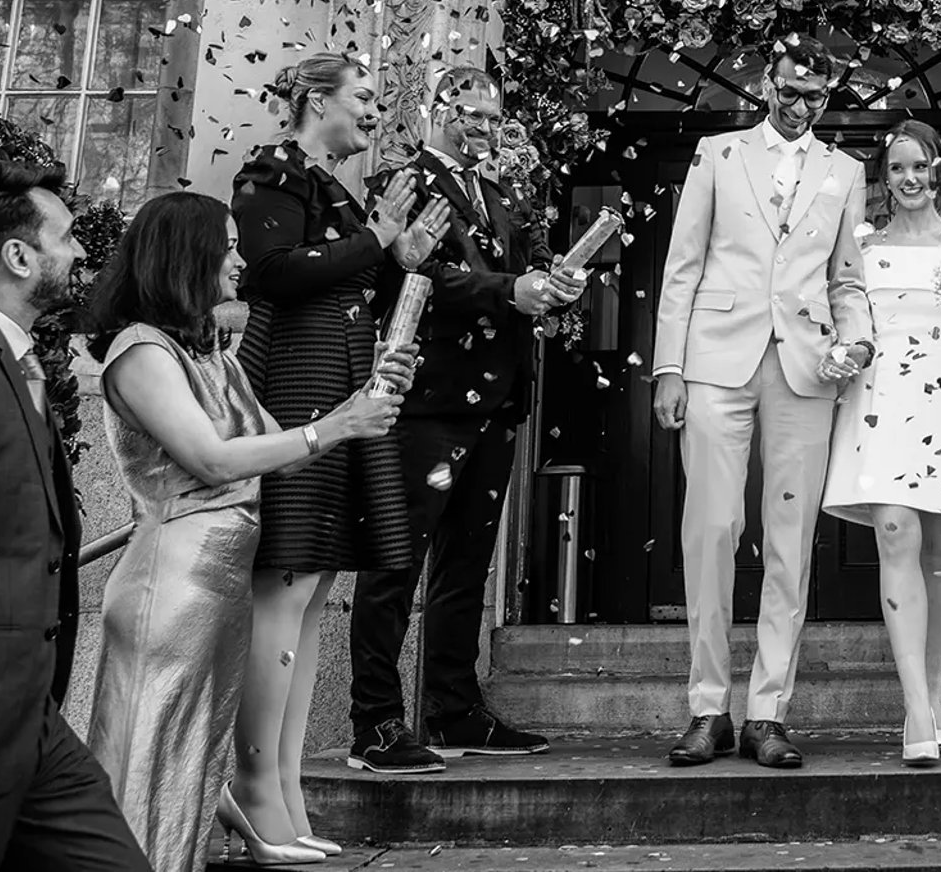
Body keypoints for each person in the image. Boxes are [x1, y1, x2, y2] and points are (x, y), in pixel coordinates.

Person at [81, 193, 413, 870]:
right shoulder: (139, 351)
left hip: (221, 579)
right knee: (146, 757)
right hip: (169, 582)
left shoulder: (211, 354)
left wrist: (363, 400)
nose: (239, 260)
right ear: (187, 256)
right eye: (227, 246)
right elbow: (210, 459)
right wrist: (334, 426)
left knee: (192, 760)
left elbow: (279, 447)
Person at [229, 52, 450, 856]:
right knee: (284, 588)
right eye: (363, 97)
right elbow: (275, 274)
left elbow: (346, 280)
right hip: (297, 384)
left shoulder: (336, 190)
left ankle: (286, 783)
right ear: (316, 100)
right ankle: (253, 784)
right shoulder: (271, 172)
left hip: (341, 381)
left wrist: (398, 258)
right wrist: (377, 238)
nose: (375, 112)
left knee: (314, 590)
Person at [0, 161, 150, 872]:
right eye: (66, 237)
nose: (81, 251)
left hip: (33, 725)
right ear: (18, 255)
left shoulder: (12, 360)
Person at [348, 66, 583, 773]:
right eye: (470, 114)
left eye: (493, 116)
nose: (483, 127)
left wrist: (555, 282)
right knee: (395, 563)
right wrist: (511, 289)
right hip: (429, 398)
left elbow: (525, 267)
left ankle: (453, 711)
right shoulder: (402, 182)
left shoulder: (502, 194)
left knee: (466, 565)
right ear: (436, 109)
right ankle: (375, 723)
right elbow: (412, 276)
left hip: (499, 399)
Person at [653, 35, 871, 769]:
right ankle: (707, 706)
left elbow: (847, 277)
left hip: (805, 366)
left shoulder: (846, 171)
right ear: (768, 84)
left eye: (816, 95)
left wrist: (858, 340)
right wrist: (669, 367)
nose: (801, 104)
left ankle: (767, 712)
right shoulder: (717, 154)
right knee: (711, 527)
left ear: (829, 96)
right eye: (791, 90)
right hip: (715, 359)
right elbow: (682, 264)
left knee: (790, 540)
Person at [822, 121, 941, 767]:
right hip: (881, 400)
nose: (909, 179)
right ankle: (916, 710)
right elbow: (846, 317)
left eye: (919, 166)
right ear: (886, 177)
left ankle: (932, 688)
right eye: (897, 168)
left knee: (939, 551)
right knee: (895, 532)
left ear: (937, 171)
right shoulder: (864, 248)